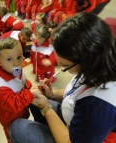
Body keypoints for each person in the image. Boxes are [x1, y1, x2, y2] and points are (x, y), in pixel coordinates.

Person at [9, 12, 116, 143]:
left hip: (73, 137)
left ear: (86, 61)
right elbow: (77, 91)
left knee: (17, 128)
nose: (58, 65)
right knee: (35, 101)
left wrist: (46, 108)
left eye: (64, 65)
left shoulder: (98, 107)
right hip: (73, 119)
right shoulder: (99, 64)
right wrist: (52, 94)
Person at [0, 37, 35, 143]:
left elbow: (23, 81)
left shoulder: (15, 70)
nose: (16, 63)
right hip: (10, 120)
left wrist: (31, 87)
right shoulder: (2, 85)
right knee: (13, 138)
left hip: (21, 112)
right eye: (9, 59)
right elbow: (12, 103)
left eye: (19, 57)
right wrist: (30, 93)